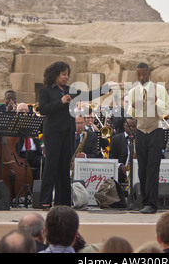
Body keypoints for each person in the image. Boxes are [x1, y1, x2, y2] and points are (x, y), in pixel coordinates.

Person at [38, 61, 119, 208]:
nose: (66, 77)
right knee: (51, 166)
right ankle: (44, 201)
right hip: (53, 132)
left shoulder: (70, 90)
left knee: (64, 167)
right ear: (55, 75)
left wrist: (106, 88)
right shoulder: (46, 91)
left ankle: (63, 202)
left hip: (67, 132)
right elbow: (43, 109)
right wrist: (61, 102)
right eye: (63, 74)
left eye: (68, 74)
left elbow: (88, 95)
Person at [127, 62, 169, 214]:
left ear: (149, 73)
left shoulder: (159, 89)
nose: (141, 77)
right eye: (139, 75)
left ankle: (152, 204)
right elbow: (131, 114)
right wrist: (133, 106)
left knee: (153, 168)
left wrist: (155, 100)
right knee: (142, 168)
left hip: (155, 130)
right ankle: (144, 200)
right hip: (140, 131)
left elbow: (168, 110)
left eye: (144, 74)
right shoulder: (134, 91)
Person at [15, 103, 45, 180]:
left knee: (47, 162)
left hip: (34, 154)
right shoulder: (14, 126)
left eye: (26, 111)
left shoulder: (33, 124)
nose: (25, 113)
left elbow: (44, 126)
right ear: (17, 113)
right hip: (20, 155)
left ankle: (43, 187)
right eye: (22, 111)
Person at [109, 117, 137, 184]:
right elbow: (112, 158)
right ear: (124, 125)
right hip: (121, 170)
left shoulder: (141, 139)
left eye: (134, 126)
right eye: (129, 126)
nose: (131, 129)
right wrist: (121, 166)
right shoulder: (116, 139)